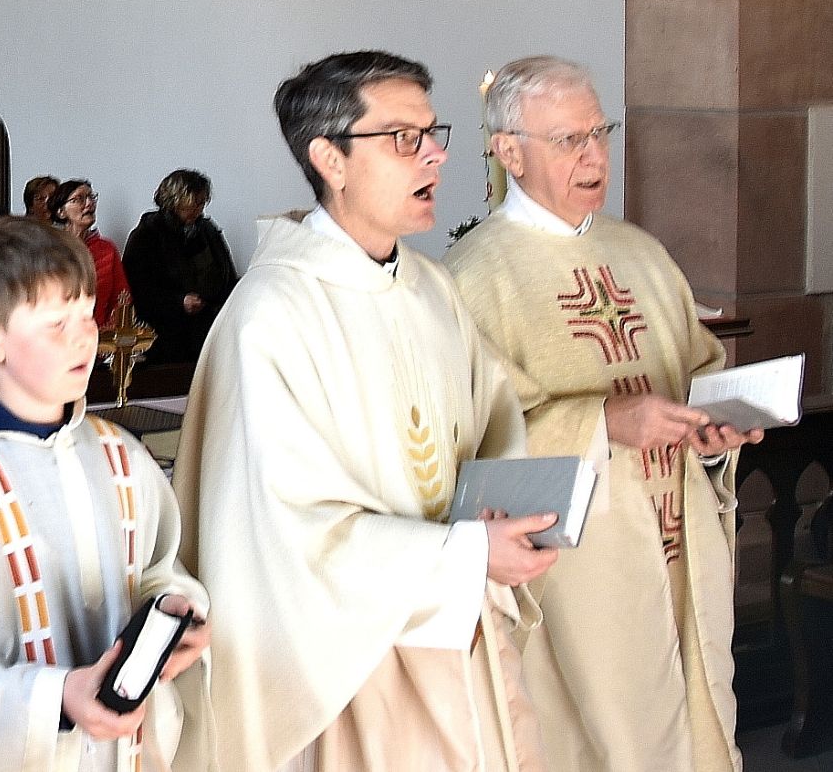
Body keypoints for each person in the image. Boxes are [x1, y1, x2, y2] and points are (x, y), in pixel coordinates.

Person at [171, 50, 554, 772]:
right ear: (330, 158)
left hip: (458, 644)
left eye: (432, 132)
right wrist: (464, 554)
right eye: (404, 137)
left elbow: (492, 426)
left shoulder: (431, 288)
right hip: (346, 679)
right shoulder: (268, 316)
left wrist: (510, 520)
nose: (435, 154)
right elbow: (283, 537)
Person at [447, 55, 754, 772]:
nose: (592, 154)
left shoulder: (641, 253)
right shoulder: (471, 276)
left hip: (678, 540)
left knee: (700, 719)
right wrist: (602, 424)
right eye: (568, 139)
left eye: (599, 131)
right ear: (508, 150)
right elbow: (474, 440)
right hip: (581, 569)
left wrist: (714, 432)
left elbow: (697, 366)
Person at [0, 216, 210, 771]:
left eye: (86, 315)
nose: (85, 336)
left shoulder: (121, 455)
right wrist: (56, 699)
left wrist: (177, 612)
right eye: (57, 324)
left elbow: (157, 568)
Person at [121, 169, 236, 365]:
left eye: (201, 203)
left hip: (208, 331)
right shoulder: (146, 235)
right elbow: (138, 288)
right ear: (174, 201)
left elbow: (227, 275)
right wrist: (178, 301)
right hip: (165, 338)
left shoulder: (208, 231)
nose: (198, 210)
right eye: (192, 204)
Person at [48, 179, 128, 326]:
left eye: (91, 197)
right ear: (61, 212)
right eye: (79, 199)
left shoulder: (107, 249)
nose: (89, 204)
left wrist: (112, 328)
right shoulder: (49, 249)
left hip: (98, 336)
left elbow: (121, 296)